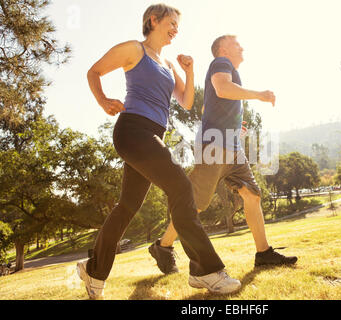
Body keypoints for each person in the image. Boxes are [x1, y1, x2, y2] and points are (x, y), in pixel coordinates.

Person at [76, 5, 241, 299]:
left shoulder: (166, 63)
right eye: (172, 23)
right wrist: (103, 101)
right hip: (132, 131)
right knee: (181, 187)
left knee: (127, 206)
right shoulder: (133, 49)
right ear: (153, 20)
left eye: (178, 25)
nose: (176, 29)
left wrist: (189, 72)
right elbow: (94, 71)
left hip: (152, 134)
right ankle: (206, 270)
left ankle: (93, 271)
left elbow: (187, 101)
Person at [149, 35, 297, 275]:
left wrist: (234, 126)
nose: (242, 46)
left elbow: (209, 106)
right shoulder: (221, 64)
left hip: (231, 146)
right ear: (223, 49)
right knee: (195, 204)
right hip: (215, 147)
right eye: (237, 43)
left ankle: (264, 253)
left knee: (252, 194)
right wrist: (260, 94)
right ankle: (163, 246)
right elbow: (223, 89)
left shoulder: (226, 70)